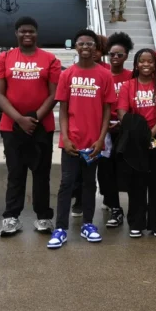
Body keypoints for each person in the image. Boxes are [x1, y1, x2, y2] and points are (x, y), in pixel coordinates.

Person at [0, 17, 61, 237]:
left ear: (36, 33)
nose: (27, 35)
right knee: (16, 172)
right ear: (16, 33)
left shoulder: (50, 59)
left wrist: (35, 118)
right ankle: (11, 217)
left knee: (42, 173)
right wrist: (19, 119)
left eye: (31, 31)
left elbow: (54, 94)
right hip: (11, 125)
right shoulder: (4, 58)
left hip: (42, 126)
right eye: (23, 31)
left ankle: (43, 217)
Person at [48, 29, 116, 249]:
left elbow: (107, 110)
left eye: (90, 44)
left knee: (89, 183)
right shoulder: (67, 75)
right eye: (81, 44)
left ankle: (88, 224)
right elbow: (64, 109)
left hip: (93, 142)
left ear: (96, 48)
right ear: (75, 47)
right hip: (72, 142)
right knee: (66, 183)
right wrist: (65, 138)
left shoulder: (104, 75)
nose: (85, 48)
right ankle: (60, 228)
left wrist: (101, 139)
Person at [117, 48, 156, 238]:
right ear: (136, 64)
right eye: (142, 61)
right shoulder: (128, 86)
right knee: (137, 183)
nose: (145, 64)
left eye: (150, 61)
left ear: (155, 64)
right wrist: (139, 133)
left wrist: (150, 134)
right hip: (135, 140)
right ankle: (136, 222)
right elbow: (122, 112)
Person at [98, 32, 134, 228]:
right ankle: (115, 208)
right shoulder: (101, 75)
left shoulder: (131, 77)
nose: (115, 58)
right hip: (104, 129)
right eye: (112, 54)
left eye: (119, 55)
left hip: (124, 129)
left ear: (126, 56)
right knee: (106, 171)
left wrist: (123, 123)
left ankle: (135, 208)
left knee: (126, 170)